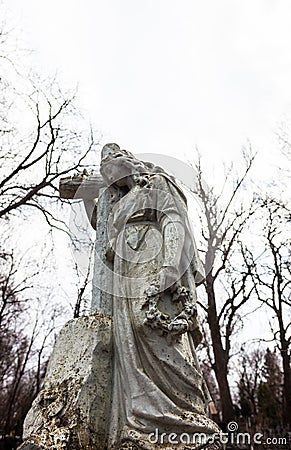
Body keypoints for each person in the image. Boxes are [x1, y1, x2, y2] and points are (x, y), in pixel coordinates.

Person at [100, 147, 223, 450]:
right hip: (125, 270)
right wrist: (114, 246)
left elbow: (173, 220)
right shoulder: (120, 201)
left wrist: (170, 266)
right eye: (111, 179)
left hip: (152, 255)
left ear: (129, 163)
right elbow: (111, 231)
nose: (115, 180)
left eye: (115, 172)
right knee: (128, 341)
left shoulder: (155, 183)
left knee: (153, 328)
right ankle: (140, 424)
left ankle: (188, 418)